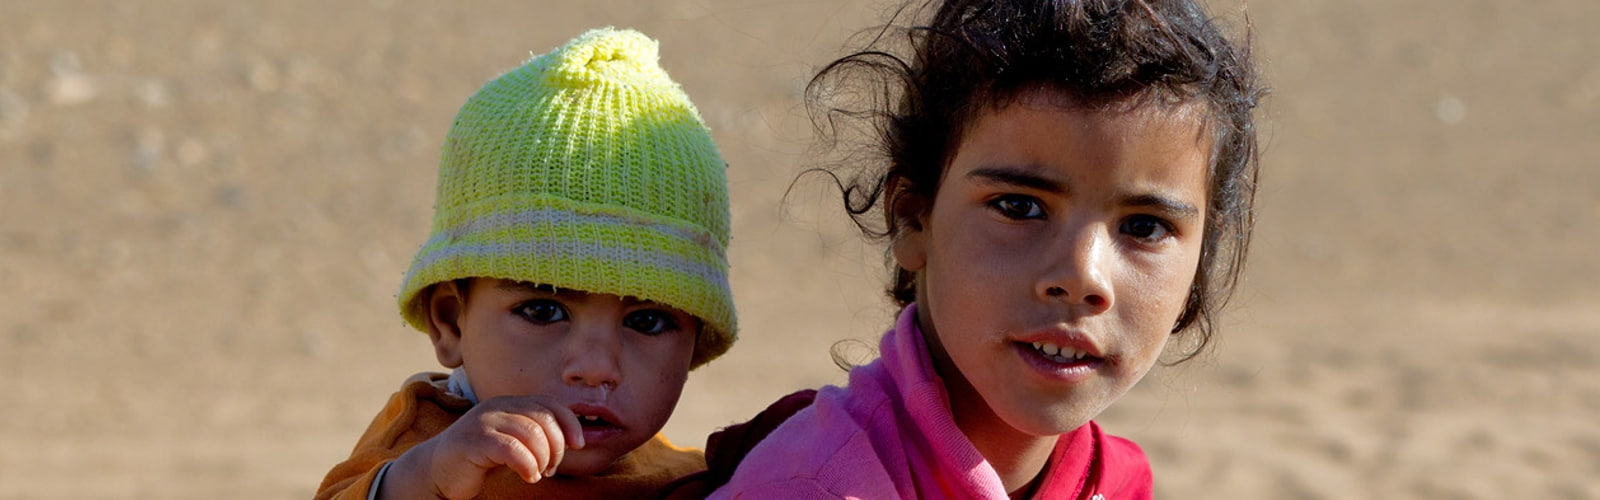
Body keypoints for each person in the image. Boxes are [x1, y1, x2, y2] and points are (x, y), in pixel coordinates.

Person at [710, 0, 1265, 498]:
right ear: (912, 218)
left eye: (1144, 227)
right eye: (1020, 207)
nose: (1082, 276)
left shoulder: (1114, 483)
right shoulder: (815, 487)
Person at [315, 27, 737, 500]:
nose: (596, 368)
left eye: (648, 320)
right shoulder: (427, 451)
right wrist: (422, 478)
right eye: (543, 311)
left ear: (696, 341)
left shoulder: (696, 476)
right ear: (452, 322)